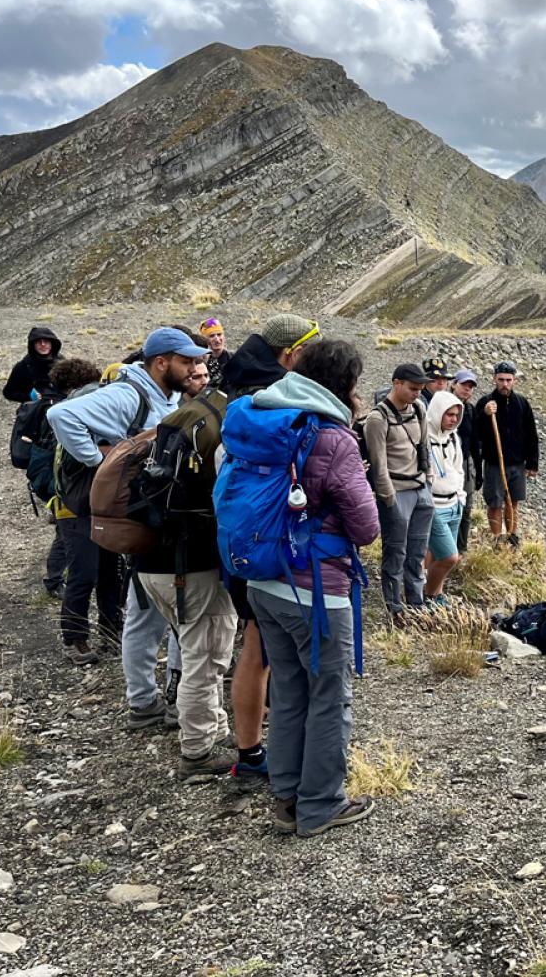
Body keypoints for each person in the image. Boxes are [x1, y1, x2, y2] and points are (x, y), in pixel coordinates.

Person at [243, 339, 380, 836]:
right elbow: (365, 527)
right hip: (316, 591)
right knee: (329, 695)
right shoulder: (332, 437)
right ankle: (321, 803)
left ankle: (286, 797)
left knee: (289, 689)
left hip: (263, 580)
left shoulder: (262, 422)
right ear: (344, 385)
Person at [46, 329, 201, 665]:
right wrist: (99, 460)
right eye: (186, 361)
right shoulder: (128, 394)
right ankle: (80, 641)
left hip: (134, 506)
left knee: (121, 580)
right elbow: (60, 415)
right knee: (95, 575)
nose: (194, 367)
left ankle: (118, 641)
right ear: (161, 362)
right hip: (109, 506)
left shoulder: (167, 395)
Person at [219, 313, 321, 780]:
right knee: (266, 653)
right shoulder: (280, 402)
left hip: (237, 540)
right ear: (292, 354)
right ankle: (271, 754)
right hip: (275, 542)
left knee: (255, 647)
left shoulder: (234, 397)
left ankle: (251, 751)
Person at [136, 388, 239, 780]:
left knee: (195, 647)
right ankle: (197, 752)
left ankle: (216, 730)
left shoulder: (181, 427)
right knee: (205, 658)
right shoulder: (216, 430)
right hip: (190, 567)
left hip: (153, 564)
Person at [363, 363, 432, 625]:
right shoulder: (377, 419)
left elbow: (424, 446)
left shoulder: (419, 409)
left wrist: (428, 483)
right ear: (397, 383)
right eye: (413, 388)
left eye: (420, 389)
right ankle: (395, 607)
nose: (417, 393)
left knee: (416, 552)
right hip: (397, 491)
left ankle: (417, 603)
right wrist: (389, 499)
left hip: (420, 488)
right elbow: (379, 465)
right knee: (396, 552)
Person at [33, 358, 101, 599]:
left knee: (65, 537)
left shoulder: (62, 409)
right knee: (76, 556)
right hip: (70, 494)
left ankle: (53, 579)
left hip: (63, 492)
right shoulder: (68, 414)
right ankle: (54, 583)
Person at [472, 361, 538, 541]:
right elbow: (475, 432)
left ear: (515, 380)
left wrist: (532, 463)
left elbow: (531, 433)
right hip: (494, 463)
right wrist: (485, 414)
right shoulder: (485, 403)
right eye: (501, 379)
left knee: (513, 501)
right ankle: (497, 539)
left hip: (517, 463)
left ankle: (511, 536)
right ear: (494, 379)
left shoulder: (522, 403)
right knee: (494, 502)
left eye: (509, 380)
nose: (505, 384)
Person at [424, 391, 466, 606]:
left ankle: (436, 593)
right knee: (450, 557)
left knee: (441, 555)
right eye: (448, 414)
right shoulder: (423, 438)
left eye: (456, 415)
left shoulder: (453, 438)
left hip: (453, 503)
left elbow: (458, 468)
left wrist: (461, 497)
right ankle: (429, 595)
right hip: (434, 505)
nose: (453, 419)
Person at [449, 370, 480, 551]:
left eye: (470, 387)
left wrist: (478, 470)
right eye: (464, 385)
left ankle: (461, 549)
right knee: (449, 506)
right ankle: (447, 549)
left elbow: (475, 440)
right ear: (454, 384)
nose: (467, 390)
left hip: (466, 463)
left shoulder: (470, 409)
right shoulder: (444, 406)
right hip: (447, 462)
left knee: (466, 508)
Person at [3, 326, 63, 403]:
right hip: (34, 408)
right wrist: (28, 396)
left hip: (59, 404)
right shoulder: (23, 366)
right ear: (32, 345)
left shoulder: (61, 362)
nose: (43, 344)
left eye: (46, 341)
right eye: (38, 342)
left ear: (52, 344)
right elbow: (8, 393)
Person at [198, 317, 231, 390]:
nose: (217, 339)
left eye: (219, 334)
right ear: (205, 339)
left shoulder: (233, 358)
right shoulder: (201, 361)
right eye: (211, 336)